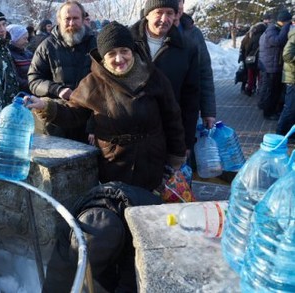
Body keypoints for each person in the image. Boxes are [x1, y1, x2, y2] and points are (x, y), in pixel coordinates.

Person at [26, 21, 186, 292]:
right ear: (102, 56)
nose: (119, 58)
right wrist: (47, 107)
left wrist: (176, 158)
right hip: (116, 165)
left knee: (147, 226)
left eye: (124, 51)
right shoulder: (93, 83)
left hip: (152, 163)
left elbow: (173, 118)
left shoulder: (153, 76)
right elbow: (74, 112)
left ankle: (143, 279)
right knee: (120, 227)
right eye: (111, 53)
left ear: (133, 50)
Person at [130, 0, 200, 152]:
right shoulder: (127, 42)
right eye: (159, 12)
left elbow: (191, 97)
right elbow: (104, 83)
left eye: (169, 13)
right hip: (128, 131)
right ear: (147, 14)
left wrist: (186, 141)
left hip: (167, 130)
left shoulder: (187, 48)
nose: (164, 19)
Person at [28, 0, 96, 142]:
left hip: (89, 121)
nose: (71, 23)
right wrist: (56, 89)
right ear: (59, 20)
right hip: (55, 121)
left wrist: (95, 124)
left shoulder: (95, 45)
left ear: (83, 19)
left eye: (76, 18)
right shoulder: (46, 47)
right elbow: (34, 80)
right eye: (67, 19)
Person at [174, 0, 216, 129]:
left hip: (188, 109)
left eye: (178, 1)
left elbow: (205, 72)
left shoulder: (193, 33)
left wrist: (208, 111)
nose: (175, 6)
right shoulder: (152, 33)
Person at [258, 9, 292, 120]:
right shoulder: (272, 29)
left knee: (274, 91)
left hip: (273, 65)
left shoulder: (275, 29)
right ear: (284, 21)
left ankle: (272, 110)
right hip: (270, 67)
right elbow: (277, 41)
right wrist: (287, 28)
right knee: (271, 91)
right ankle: (268, 113)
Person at [277, 24, 295, 137]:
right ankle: (280, 133)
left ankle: (290, 134)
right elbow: (287, 55)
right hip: (292, 77)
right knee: (290, 107)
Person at [7, 24, 33, 92]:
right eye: (24, 38)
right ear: (14, 38)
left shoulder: (28, 53)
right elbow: (16, 79)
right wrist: (34, 84)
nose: (27, 41)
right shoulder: (9, 55)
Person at [242, 22, 267, 96]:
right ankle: (260, 90)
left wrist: (247, 56)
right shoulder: (265, 37)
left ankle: (249, 89)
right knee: (260, 76)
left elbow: (248, 48)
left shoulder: (254, 36)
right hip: (261, 59)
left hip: (251, 59)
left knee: (251, 76)